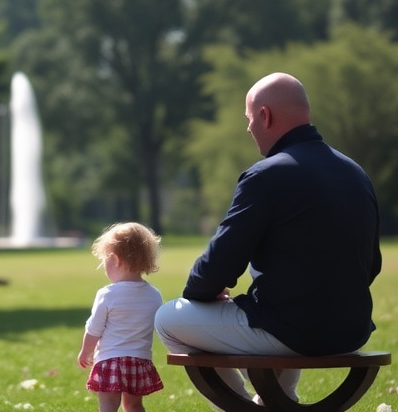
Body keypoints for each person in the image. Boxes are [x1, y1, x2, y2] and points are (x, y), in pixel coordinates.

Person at [153, 72, 382, 406]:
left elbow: (218, 264)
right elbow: (371, 265)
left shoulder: (267, 175)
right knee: (275, 312)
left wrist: (201, 293)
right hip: (351, 330)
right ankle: (277, 399)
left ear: (265, 115)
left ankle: (243, 406)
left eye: (248, 119)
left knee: (168, 318)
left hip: (292, 331)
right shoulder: (355, 172)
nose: (248, 128)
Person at [77, 222, 165, 412]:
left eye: (104, 261)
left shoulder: (107, 294)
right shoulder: (154, 294)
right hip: (139, 361)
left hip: (110, 361)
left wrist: (86, 351)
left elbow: (94, 329)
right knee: (134, 405)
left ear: (115, 259)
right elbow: (158, 325)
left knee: (108, 405)